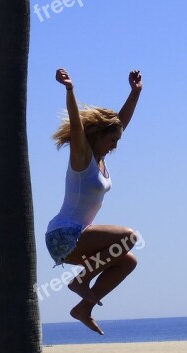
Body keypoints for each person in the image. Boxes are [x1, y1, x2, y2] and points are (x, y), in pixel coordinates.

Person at [45, 67, 143, 335]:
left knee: (128, 261)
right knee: (129, 237)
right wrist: (70, 90)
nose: (115, 146)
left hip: (76, 239)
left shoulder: (101, 161)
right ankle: (80, 281)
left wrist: (135, 94)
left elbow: (120, 123)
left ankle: (83, 309)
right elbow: (77, 126)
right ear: (98, 135)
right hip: (64, 233)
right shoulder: (82, 157)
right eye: (112, 140)